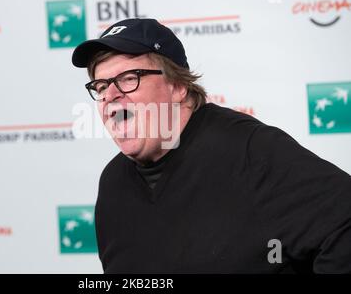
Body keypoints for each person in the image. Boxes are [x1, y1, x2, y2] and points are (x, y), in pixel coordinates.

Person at [71, 18, 351, 273]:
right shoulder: (113, 184)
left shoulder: (249, 151)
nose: (110, 95)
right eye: (100, 86)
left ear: (177, 86)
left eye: (128, 79)